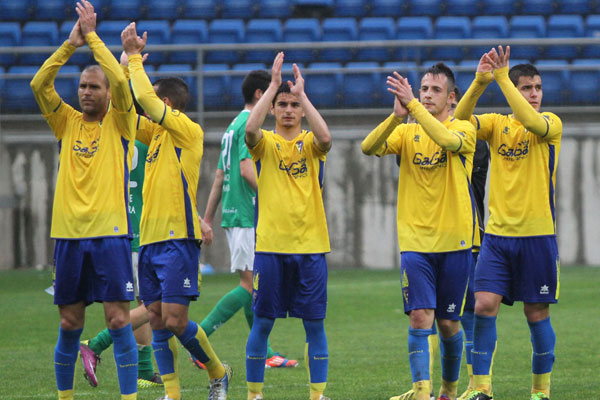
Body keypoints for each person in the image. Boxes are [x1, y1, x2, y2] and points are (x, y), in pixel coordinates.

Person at [30, 1, 139, 399]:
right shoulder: (66, 121)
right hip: (69, 237)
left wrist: (93, 38)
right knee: (69, 324)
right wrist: (70, 45)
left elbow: (123, 84)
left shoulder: (120, 121)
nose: (86, 92)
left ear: (108, 93)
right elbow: (40, 85)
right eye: (83, 87)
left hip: (110, 236)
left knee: (117, 321)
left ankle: (129, 397)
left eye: (94, 86)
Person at [120, 22, 232, 400]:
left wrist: (135, 59)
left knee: (175, 319)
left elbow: (145, 104)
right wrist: (123, 69)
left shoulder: (188, 131)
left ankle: (218, 373)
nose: (147, 102)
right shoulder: (155, 137)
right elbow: (124, 115)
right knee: (156, 320)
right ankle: (173, 394)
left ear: (167, 105)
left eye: (154, 98)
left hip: (177, 238)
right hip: (149, 239)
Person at [361, 63, 476, 400]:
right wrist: (396, 117)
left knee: (448, 324)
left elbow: (444, 139)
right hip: (415, 243)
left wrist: (411, 106)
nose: (426, 95)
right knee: (419, 318)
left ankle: (448, 391)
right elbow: (368, 147)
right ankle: (422, 392)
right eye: (423, 89)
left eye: (435, 90)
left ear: (452, 97)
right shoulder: (406, 131)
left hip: (455, 242)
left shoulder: (464, 129)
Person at [454, 46, 562, 400]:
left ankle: (540, 392)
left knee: (536, 313)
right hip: (497, 238)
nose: (534, 94)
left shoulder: (549, 124)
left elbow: (531, 121)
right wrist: (480, 81)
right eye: (527, 88)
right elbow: (460, 118)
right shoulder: (497, 124)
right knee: (483, 305)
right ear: (516, 89)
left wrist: (503, 78)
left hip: (537, 236)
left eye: (537, 88)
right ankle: (482, 389)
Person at [244, 52, 332, 400]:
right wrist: (274, 85)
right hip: (270, 248)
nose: (289, 110)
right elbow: (250, 129)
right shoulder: (265, 144)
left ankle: (317, 394)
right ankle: (254, 394)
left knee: (314, 325)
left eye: (294, 105)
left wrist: (304, 96)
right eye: (283, 104)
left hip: (310, 247)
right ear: (274, 108)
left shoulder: (309, 144)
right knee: (263, 323)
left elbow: (326, 138)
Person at [199, 69, 298, 369]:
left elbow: (219, 176)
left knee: (253, 283)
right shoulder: (247, 125)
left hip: (234, 211)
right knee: (249, 286)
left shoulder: (232, 125)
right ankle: (197, 340)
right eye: (272, 94)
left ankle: (266, 352)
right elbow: (245, 169)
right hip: (245, 211)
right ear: (260, 95)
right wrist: (277, 194)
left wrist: (207, 218)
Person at [79, 136, 164, 389]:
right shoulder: (149, 141)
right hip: (140, 234)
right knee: (154, 305)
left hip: (114, 233)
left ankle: (145, 370)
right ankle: (96, 343)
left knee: (144, 304)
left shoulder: (107, 140)